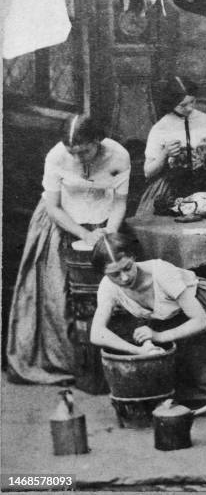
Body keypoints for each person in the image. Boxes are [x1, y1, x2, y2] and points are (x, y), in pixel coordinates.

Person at [7, 115, 131, 384]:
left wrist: (107, 234)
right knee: (56, 294)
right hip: (61, 223)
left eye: (85, 150)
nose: (79, 158)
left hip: (104, 222)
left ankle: (108, 363)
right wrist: (84, 234)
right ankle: (69, 363)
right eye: (73, 152)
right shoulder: (56, 156)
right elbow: (53, 207)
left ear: (98, 140)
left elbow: (120, 202)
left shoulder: (119, 155)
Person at [90, 233, 206, 405]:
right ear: (104, 273)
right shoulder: (108, 286)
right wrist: (138, 351)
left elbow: (201, 321)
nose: (124, 278)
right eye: (114, 274)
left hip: (203, 311)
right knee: (170, 392)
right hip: (167, 323)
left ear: (133, 257)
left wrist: (159, 337)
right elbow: (97, 333)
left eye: (127, 268)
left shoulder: (162, 273)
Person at [136, 75, 206, 215]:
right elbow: (148, 172)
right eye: (182, 105)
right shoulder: (161, 128)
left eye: (192, 102)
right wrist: (164, 153)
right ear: (171, 103)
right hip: (173, 188)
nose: (189, 108)